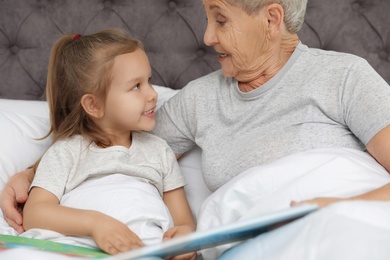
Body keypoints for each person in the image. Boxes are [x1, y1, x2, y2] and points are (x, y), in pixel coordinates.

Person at [2, 0, 390, 250]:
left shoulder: (343, 77)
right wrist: (33, 173)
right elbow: (115, 141)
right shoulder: (201, 98)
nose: (206, 37)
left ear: (272, 19)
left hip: (343, 225)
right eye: (207, 18)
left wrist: (337, 208)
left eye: (220, 20)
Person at [10, 28, 195, 258]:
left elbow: (184, 222)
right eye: (136, 86)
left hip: (141, 249)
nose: (152, 94)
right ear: (94, 105)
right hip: (78, 247)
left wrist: (184, 240)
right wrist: (96, 224)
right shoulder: (67, 151)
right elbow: (35, 213)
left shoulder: (159, 151)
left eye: (149, 81)